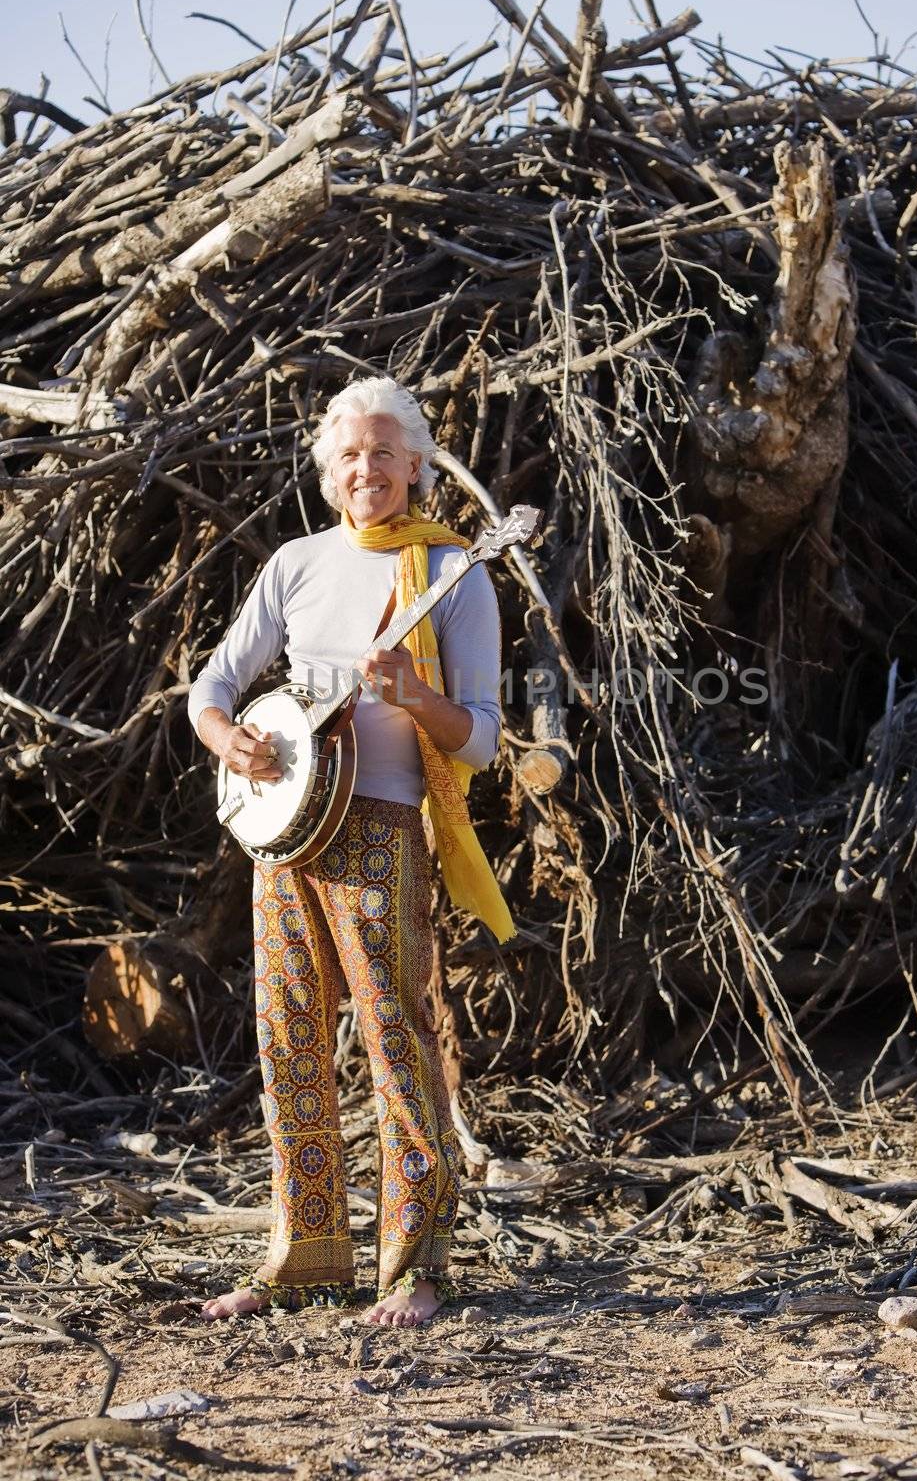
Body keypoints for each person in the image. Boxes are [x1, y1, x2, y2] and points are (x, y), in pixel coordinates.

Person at [187, 374, 514, 1327]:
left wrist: (413, 695)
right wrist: (227, 739)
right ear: (327, 473)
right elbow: (215, 682)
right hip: (282, 828)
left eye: (383, 452)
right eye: (348, 455)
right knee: (286, 1035)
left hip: (379, 827)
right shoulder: (294, 563)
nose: (365, 467)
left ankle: (415, 1267)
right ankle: (308, 1253)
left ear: (415, 466)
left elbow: (485, 738)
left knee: (391, 1036)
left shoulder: (456, 572)